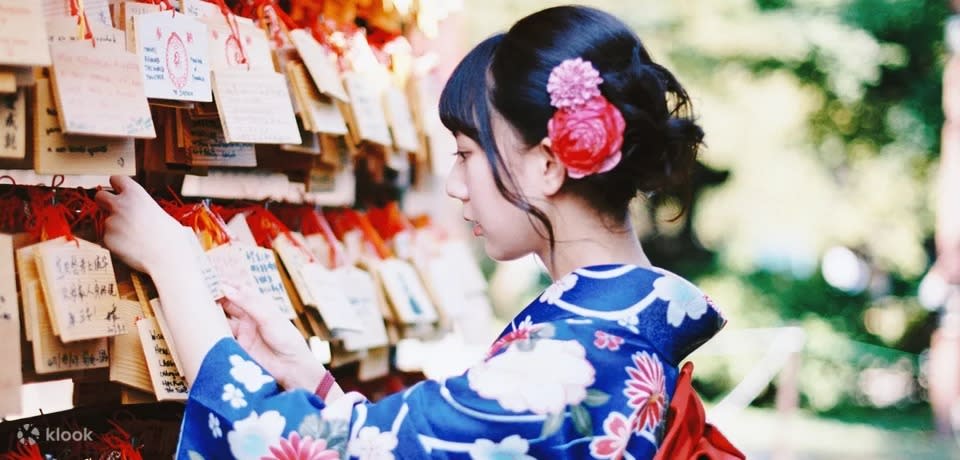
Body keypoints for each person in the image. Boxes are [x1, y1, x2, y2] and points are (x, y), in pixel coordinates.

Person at [97, 6, 741, 459]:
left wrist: (175, 265)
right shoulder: (615, 336)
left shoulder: (566, 365)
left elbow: (281, 447)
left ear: (547, 165)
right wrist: (303, 373)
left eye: (467, 154)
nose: (456, 184)